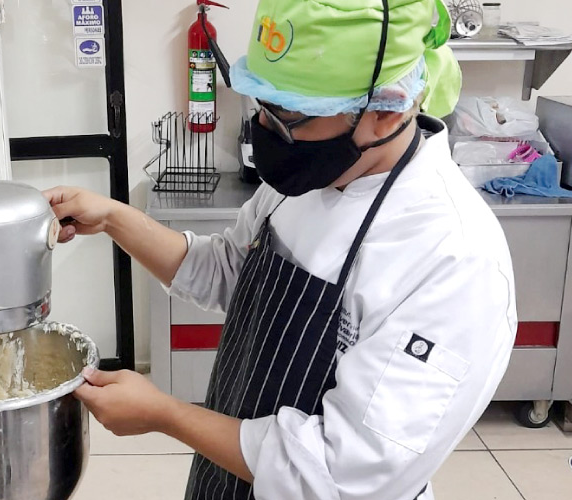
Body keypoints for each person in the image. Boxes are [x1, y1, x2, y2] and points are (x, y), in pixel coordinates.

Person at [43, 0, 517, 498]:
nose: (266, 133)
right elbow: (229, 271)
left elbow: (340, 472)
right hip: (228, 475)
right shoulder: (312, 177)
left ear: (385, 111)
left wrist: (167, 415)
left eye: (291, 116)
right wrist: (116, 217)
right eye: (261, 108)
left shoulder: (453, 257)